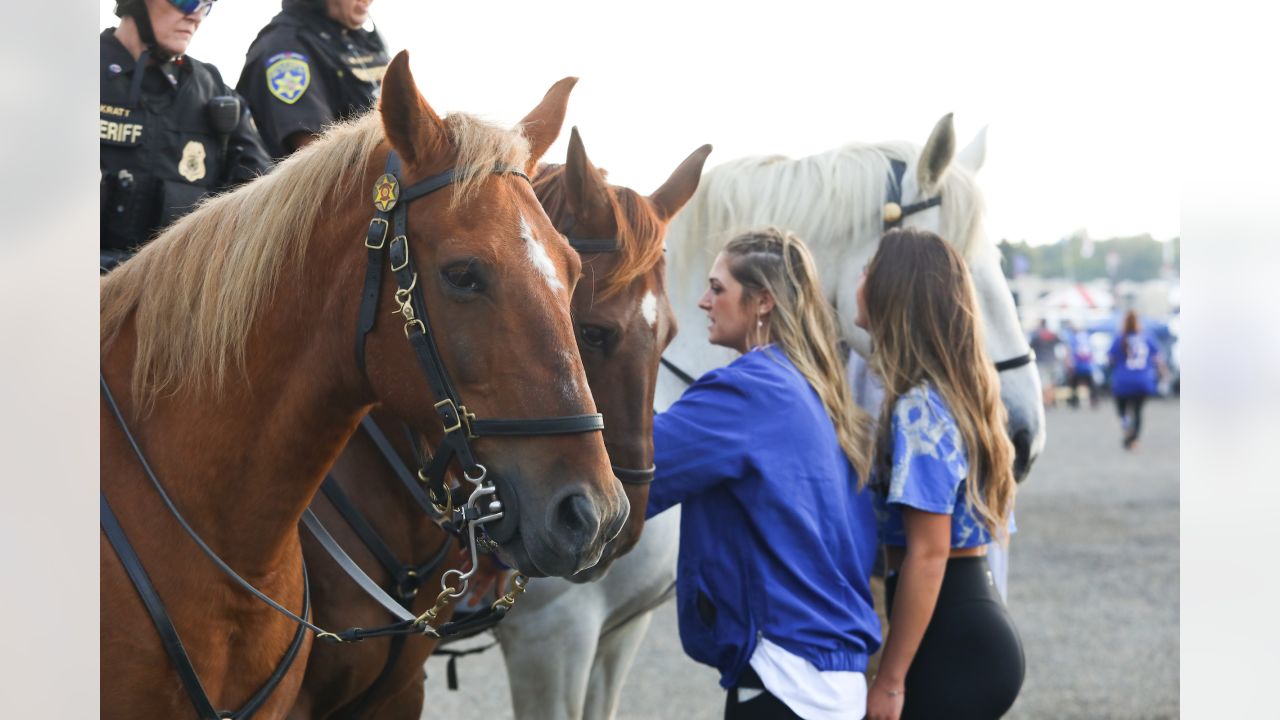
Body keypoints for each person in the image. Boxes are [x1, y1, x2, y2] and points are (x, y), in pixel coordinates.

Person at [647, 228, 882, 720]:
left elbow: (632, 469)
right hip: (838, 682)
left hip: (783, 680)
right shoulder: (821, 391)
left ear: (763, 303)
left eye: (717, 288)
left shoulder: (747, 391)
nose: (702, 301)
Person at [857, 228, 1024, 720]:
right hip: (972, 615)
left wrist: (889, 680)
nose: (859, 280)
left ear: (895, 291)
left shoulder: (920, 410)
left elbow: (928, 554)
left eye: (869, 271)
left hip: (952, 631)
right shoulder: (956, 397)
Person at [101, 0, 272, 271]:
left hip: (175, 292)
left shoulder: (214, 91)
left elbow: (265, 198)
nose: (195, 16)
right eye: (185, 0)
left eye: (206, 5)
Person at [238, 0, 390, 158]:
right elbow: (315, 155)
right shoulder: (284, 46)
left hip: (386, 173)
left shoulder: (360, 39)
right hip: (343, 178)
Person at [1108, 310, 1162, 450]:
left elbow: (1110, 359)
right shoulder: (1148, 338)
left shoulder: (1120, 338)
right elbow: (1157, 359)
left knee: (1122, 411)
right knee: (1138, 412)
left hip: (1123, 381)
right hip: (1142, 381)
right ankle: (1134, 440)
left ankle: (1127, 430)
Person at [1064, 321, 1098, 409]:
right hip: (1087, 365)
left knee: (1073, 383)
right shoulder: (1086, 337)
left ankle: (1074, 401)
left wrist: (1069, 363)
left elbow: (1070, 351)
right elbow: (1092, 351)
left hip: (1078, 365)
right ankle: (1094, 400)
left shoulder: (1073, 338)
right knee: (1090, 384)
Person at [1028, 318, 1062, 408]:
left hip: (1041, 361)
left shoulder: (1037, 334)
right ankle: (1051, 400)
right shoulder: (1052, 334)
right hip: (1053, 360)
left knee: (1044, 382)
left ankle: (1046, 401)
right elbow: (1060, 342)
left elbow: (1030, 346)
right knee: (1052, 382)